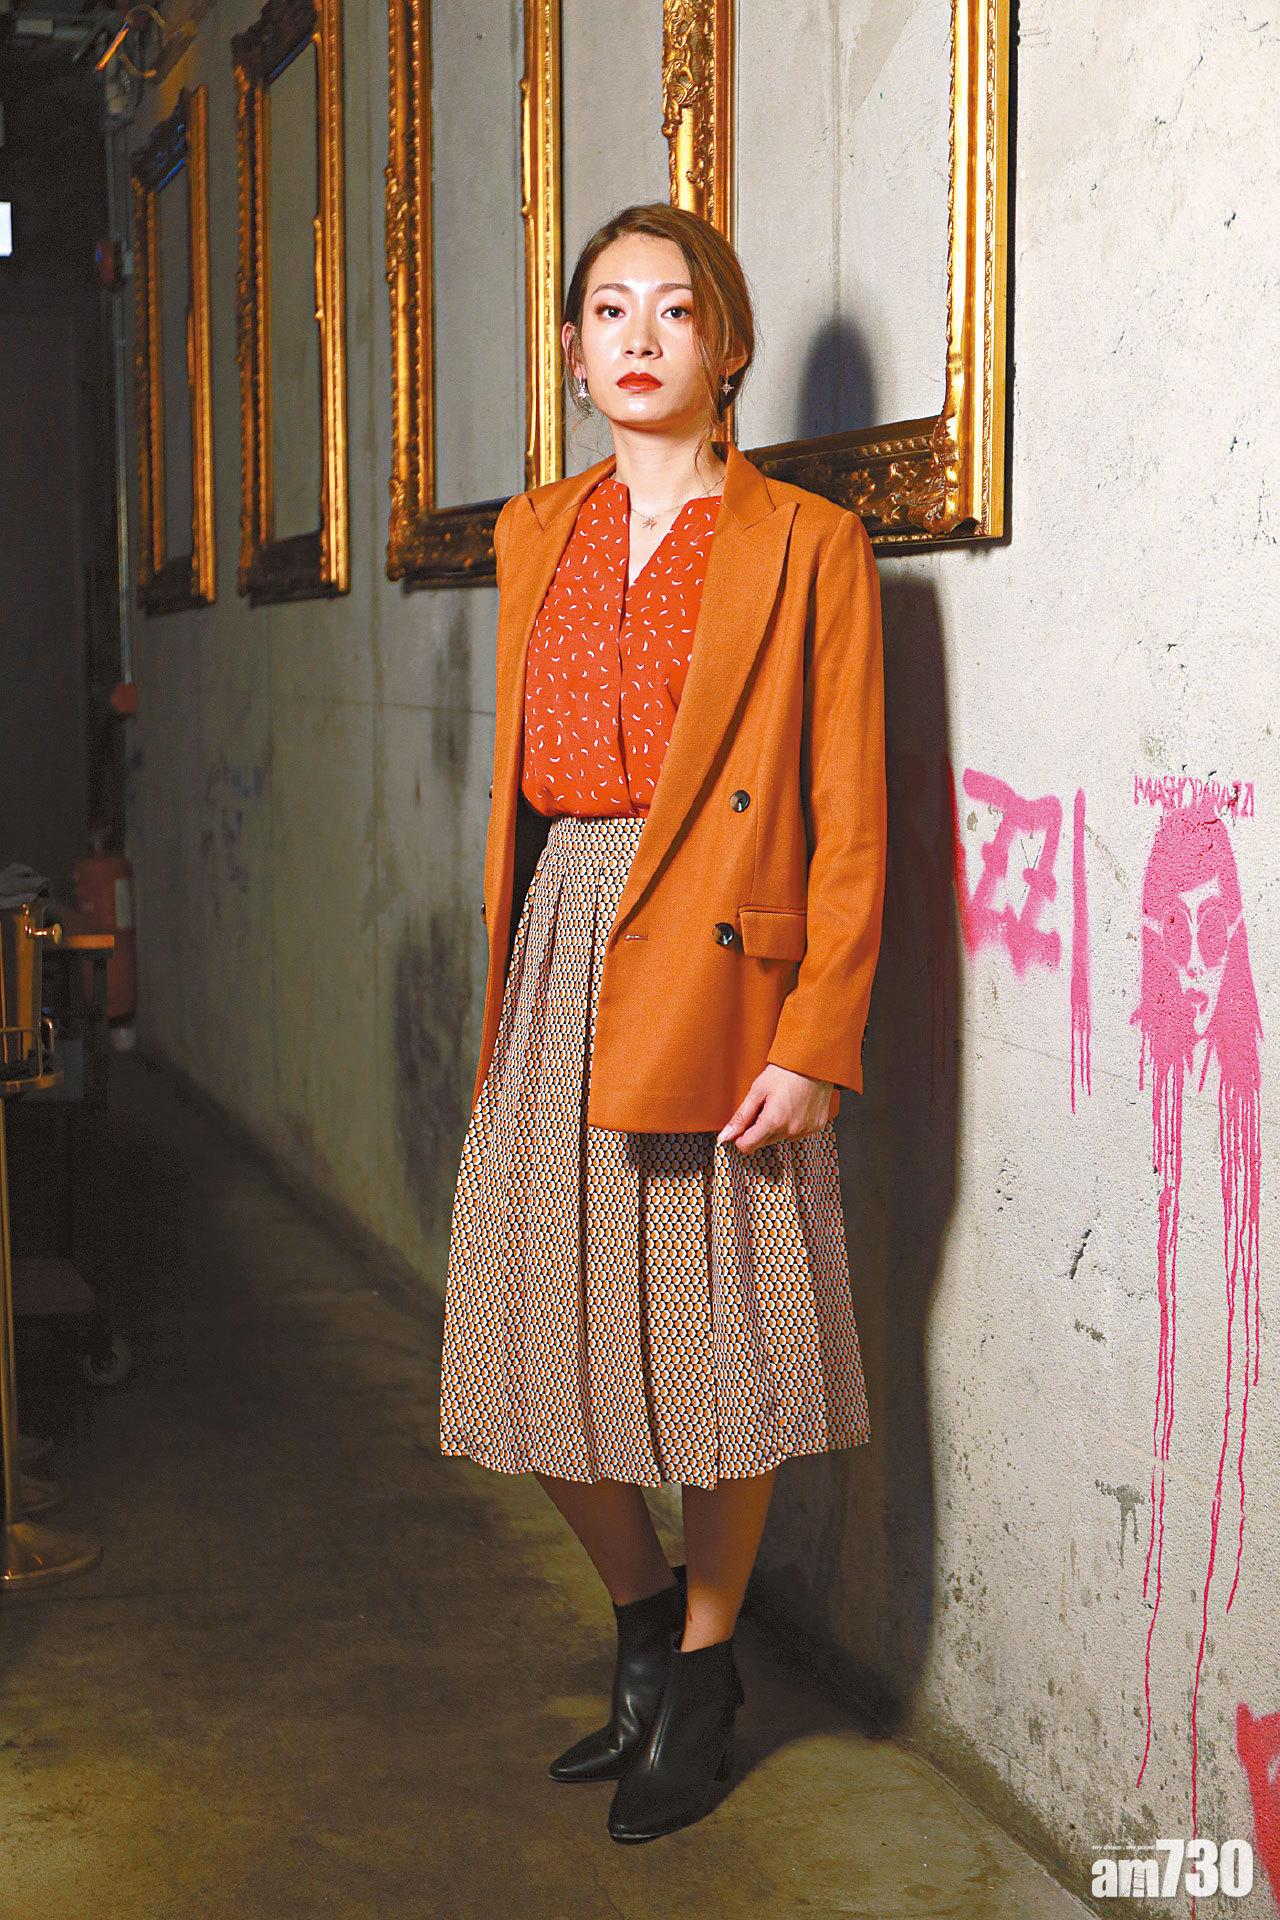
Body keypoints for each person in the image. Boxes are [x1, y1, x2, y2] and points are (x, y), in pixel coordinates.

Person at [439, 201, 887, 1843]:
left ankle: (701, 1671)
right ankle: (641, 1624)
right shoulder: (532, 532)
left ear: (728, 344)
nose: (638, 336)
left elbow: (850, 812)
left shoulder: (808, 544)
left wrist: (814, 1037)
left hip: (720, 962)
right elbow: (527, 795)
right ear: (572, 353)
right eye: (608, 310)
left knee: (714, 1342)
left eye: (675, 309)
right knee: (529, 1328)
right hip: (564, 941)